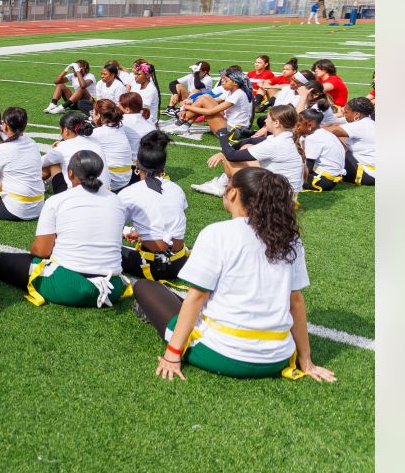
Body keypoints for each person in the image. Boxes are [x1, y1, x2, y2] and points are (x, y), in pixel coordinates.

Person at [131, 167, 336, 382]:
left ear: (234, 193)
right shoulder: (289, 238)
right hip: (277, 358)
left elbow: (197, 297)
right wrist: (306, 360)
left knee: (146, 288)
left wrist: (172, 355)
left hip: (221, 353)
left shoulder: (217, 233)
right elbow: (295, 300)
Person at [0, 151, 128, 308]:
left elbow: (41, 251)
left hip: (69, 286)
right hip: (113, 288)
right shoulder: (116, 201)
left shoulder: (58, 200)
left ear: (70, 173)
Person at [192, 104, 306, 198]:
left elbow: (231, 156)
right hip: (287, 195)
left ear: (276, 123)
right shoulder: (286, 138)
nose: (265, 120)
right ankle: (221, 184)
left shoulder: (275, 144)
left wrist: (221, 134)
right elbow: (250, 140)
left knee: (227, 157)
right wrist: (224, 150)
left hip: (275, 199)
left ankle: (221, 187)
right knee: (246, 147)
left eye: (268, 118)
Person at [118, 131, 190, 282]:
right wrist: (139, 233)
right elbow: (165, 219)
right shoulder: (177, 189)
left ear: (137, 165)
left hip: (151, 266)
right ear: (163, 166)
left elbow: (112, 228)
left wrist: (128, 231)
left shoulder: (129, 193)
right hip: (179, 263)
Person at [165, 68, 252, 142]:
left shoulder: (238, 94)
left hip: (231, 131)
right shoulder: (232, 92)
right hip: (230, 125)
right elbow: (210, 101)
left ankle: (180, 123)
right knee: (204, 98)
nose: (222, 82)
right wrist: (185, 107)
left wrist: (186, 107)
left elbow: (210, 111)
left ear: (235, 83)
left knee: (204, 99)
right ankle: (183, 124)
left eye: (226, 80)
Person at [40, 110, 103, 194]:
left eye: (60, 130)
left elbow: (39, 163)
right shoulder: (95, 140)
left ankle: (38, 185)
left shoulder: (62, 148)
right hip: (102, 189)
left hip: (75, 195)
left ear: (65, 130)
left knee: (53, 164)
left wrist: (54, 150)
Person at [324, 97, 375, 186]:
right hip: (373, 172)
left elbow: (328, 131)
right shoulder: (369, 122)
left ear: (357, 114)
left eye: (346, 113)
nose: (344, 115)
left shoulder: (360, 126)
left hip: (367, 174)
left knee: (329, 142)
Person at [296, 107, 347, 192]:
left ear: (309, 125)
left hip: (322, 180)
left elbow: (308, 166)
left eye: (298, 125)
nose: (297, 128)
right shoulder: (324, 133)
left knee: (286, 174)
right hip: (331, 179)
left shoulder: (313, 138)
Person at [90, 99, 135, 191]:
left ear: (98, 115)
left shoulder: (98, 133)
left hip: (112, 179)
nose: (92, 115)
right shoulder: (120, 127)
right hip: (126, 176)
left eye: (93, 112)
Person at [119, 91, 156, 183]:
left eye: (120, 105)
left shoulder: (123, 121)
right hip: (153, 165)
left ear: (127, 109)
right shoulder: (148, 119)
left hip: (135, 169)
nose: (117, 106)